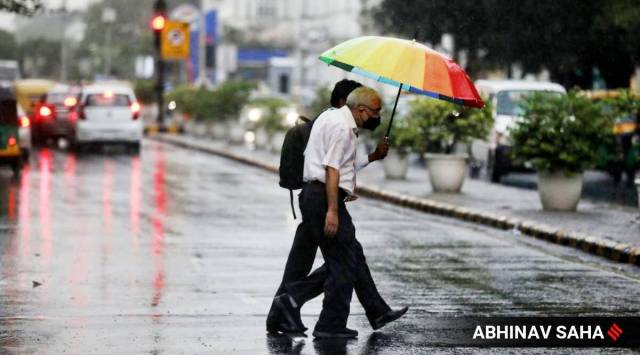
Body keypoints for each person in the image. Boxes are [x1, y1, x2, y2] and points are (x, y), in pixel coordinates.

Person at [270, 86, 408, 339]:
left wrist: (373, 156)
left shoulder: (329, 117)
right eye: (375, 112)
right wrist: (333, 210)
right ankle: (320, 318)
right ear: (362, 110)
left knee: (348, 257)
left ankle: (373, 311)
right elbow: (332, 169)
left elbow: (342, 164)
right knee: (344, 262)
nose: (377, 118)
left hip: (318, 195)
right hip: (323, 198)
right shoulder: (342, 128)